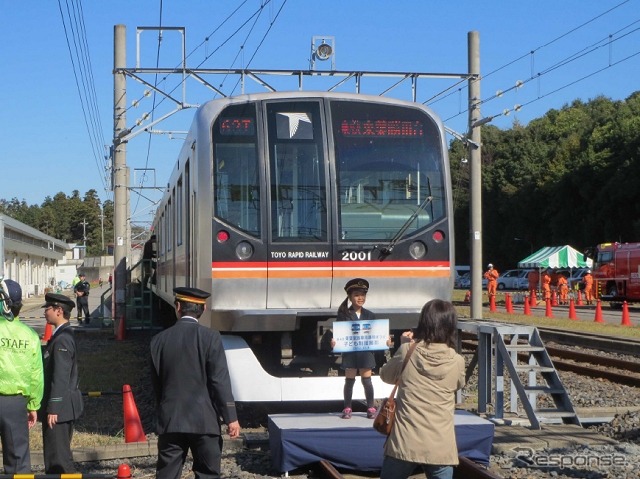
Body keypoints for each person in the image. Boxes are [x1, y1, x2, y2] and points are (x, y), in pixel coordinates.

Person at [150, 287, 241, 479]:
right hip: (204, 421)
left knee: (166, 474)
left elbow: (157, 384)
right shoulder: (211, 338)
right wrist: (231, 416)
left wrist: (163, 412)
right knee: (207, 473)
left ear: (178, 306)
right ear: (203, 309)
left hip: (170, 421)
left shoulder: (158, 341)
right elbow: (219, 381)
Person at [379, 299, 465, 479]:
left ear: (424, 322)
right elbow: (458, 384)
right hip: (440, 445)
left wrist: (403, 344)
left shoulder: (407, 351)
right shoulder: (457, 360)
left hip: (404, 441)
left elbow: (385, 375)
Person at [0, 279, 44, 474]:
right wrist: (33, 405)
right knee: (18, 459)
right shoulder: (30, 336)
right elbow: (36, 375)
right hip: (16, 403)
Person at [38, 293, 84, 474]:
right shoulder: (62, 335)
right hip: (62, 408)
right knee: (56, 456)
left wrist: (54, 407)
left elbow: (61, 376)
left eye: (47, 309)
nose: (45, 313)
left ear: (58, 311)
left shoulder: (63, 339)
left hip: (60, 410)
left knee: (58, 460)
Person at [331, 278, 378, 419]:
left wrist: (386, 341)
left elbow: (377, 334)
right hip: (350, 352)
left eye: (363, 295)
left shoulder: (370, 315)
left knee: (367, 380)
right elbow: (339, 334)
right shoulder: (344, 315)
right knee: (349, 381)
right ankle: (347, 407)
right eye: (357, 295)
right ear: (350, 297)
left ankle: (370, 407)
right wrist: (334, 342)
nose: (360, 298)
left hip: (366, 352)